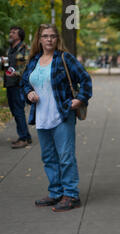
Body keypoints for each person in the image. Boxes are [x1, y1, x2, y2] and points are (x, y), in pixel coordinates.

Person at [21, 24, 92, 212]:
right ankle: (56, 192)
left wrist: (79, 99)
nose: (49, 39)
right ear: (40, 39)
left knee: (66, 157)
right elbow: (24, 83)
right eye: (45, 36)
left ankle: (71, 195)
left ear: (57, 38)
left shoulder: (64, 58)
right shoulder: (34, 60)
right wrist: (28, 93)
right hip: (42, 117)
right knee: (49, 157)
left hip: (62, 115)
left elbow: (85, 79)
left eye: (52, 36)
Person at [1, 26, 32, 149]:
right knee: (15, 111)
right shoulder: (10, 50)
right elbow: (8, 66)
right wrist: (3, 63)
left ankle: (23, 138)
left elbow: (29, 66)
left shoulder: (25, 49)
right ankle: (26, 136)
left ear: (20, 36)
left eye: (13, 32)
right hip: (9, 84)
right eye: (10, 32)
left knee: (18, 111)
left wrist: (18, 73)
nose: (10, 34)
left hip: (18, 84)